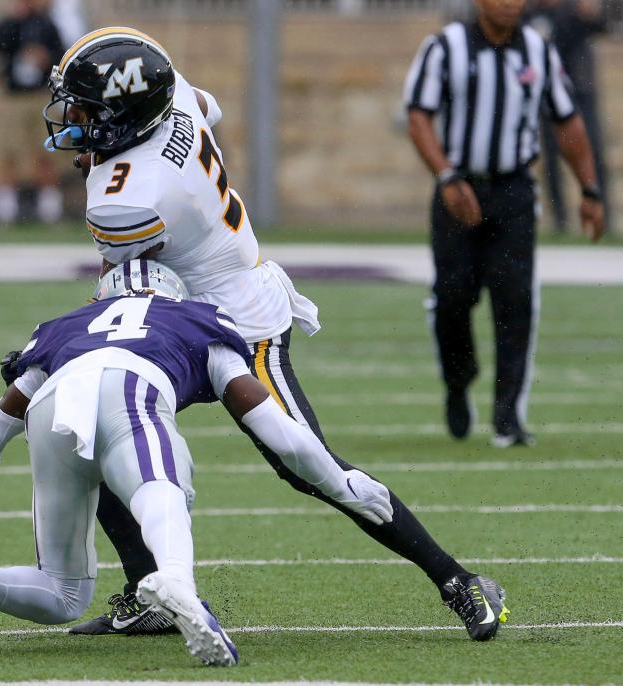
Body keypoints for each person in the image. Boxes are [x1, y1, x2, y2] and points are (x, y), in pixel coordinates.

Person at [41, 27, 509, 640]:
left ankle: (456, 579)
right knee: (92, 430)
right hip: (189, 306)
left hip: (230, 323)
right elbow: (208, 110)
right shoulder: (172, 95)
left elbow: (122, 275)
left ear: (125, 112)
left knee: (309, 466)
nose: (71, 118)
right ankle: (147, 589)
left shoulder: (121, 200)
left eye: (87, 108)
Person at [0, 260, 395, 666]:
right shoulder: (199, 320)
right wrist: (341, 482)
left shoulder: (62, 329)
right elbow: (276, 429)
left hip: (53, 409)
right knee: (164, 484)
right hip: (131, 390)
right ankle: (176, 580)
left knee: (64, 595)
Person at [404, 0, 605, 446]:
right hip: (458, 191)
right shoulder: (445, 47)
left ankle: (508, 414)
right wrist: (446, 176)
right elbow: (418, 116)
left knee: (515, 301)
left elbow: (566, 121)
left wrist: (589, 190)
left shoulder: (539, 51)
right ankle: (459, 381)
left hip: (514, 192)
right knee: (452, 298)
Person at [528, 0, 612, 234]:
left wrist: (591, 13)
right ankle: (560, 220)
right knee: (552, 159)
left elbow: (603, 27)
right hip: (549, 96)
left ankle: (602, 214)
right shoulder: (534, 13)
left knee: (593, 151)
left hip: (581, 91)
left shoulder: (574, 9)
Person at [0, 0, 65, 224]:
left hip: (39, 95)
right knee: (8, 151)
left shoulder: (46, 24)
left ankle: (49, 208)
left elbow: (60, 54)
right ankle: (6, 209)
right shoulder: (9, 24)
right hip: (14, 97)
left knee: (45, 152)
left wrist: (45, 58)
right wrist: (14, 19)